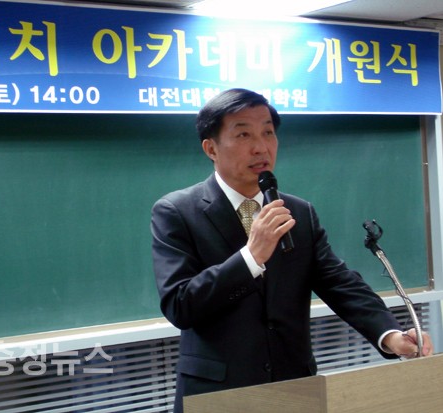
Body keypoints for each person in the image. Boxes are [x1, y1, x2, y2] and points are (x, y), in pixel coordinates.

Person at [150, 88, 433, 413]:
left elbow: (340, 284)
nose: (261, 147)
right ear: (211, 148)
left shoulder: (298, 212)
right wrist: (250, 257)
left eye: (268, 132)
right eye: (243, 134)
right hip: (217, 392)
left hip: (294, 386)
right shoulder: (177, 211)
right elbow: (180, 305)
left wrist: (390, 334)